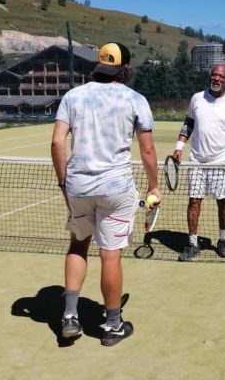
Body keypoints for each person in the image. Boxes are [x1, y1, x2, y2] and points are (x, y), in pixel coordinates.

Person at [51, 42, 160, 346]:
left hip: (78, 188)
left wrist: (64, 184)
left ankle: (70, 317)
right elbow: (148, 149)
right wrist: (154, 186)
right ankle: (112, 326)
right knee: (110, 256)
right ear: (124, 69)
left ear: (98, 66)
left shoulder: (72, 97)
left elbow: (58, 143)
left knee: (77, 246)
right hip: (116, 190)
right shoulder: (135, 99)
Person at [174, 63, 225, 261]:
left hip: (222, 162)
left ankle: (222, 240)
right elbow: (188, 123)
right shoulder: (197, 99)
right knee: (194, 201)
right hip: (197, 161)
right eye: (214, 75)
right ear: (210, 76)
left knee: (223, 202)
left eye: (221, 76)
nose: (216, 79)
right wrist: (179, 146)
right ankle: (192, 244)